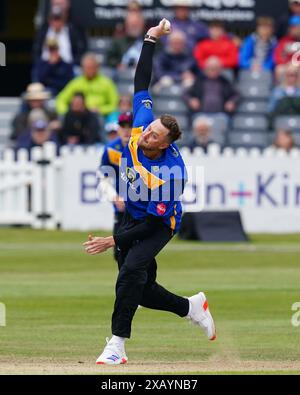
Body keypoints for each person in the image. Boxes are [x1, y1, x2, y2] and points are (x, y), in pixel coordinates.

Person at [83, 19, 216, 366]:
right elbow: (141, 81)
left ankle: (116, 346)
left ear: (167, 145)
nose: (146, 136)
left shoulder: (171, 173)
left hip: (158, 225)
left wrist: (113, 239)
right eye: (150, 130)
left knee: (129, 273)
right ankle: (191, 307)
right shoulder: (142, 123)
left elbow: (149, 227)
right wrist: (150, 39)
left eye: (156, 136)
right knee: (140, 289)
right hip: (132, 213)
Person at [99, 112, 133, 260]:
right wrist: (114, 197)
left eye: (130, 126)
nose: (126, 130)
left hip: (139, 207)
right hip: (121, 209)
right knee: (119, 253)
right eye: (123, 126)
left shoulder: (143, 148)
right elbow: (103, 178)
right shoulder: (111, 149)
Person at [56, 53, 119, 117]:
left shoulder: (107, 83)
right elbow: (61, 100)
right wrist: (68, 113)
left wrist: (101, 110)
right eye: (87, 68)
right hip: (79, 117)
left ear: (97, 67)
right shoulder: (76, 83)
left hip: (101, 117)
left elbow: (115, 105)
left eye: (91, 67)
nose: (89, 70)